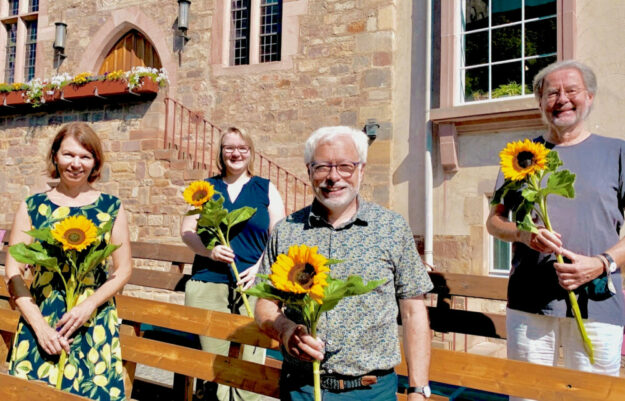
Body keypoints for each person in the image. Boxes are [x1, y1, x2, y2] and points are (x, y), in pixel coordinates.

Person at [254, 126, 433, 401]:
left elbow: (413, 311)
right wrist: (285, 329)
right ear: (309, 170)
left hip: (372, 391)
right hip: (302, 387)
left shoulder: (391, 227)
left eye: (345, 167)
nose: (333, 177)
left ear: (361, 170)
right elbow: (265, 304)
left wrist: (418, 388)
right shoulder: (287, 231)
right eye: (322, 167)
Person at [486, 60, 625, 400]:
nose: (561, 98)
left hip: (598, 300)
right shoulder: (520, 157)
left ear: (589, 97)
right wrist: (521, 234)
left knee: (591, 395)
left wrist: (603, 262)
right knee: (527, 394)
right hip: (530, 301)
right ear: (540, 102)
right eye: (551, 93)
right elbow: (494, 221)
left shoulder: (618, 152)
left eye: (571, 90)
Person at [5, 122, 132, 400]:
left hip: (92, 320)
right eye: (68, 155)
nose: (76, 164)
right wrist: (39, 326)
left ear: (95, 162)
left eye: (85, 157)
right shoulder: (32, 206)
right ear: (55, 156)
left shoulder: (111, 207)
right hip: (42, 316)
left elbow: (123, 269)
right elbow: (13, 269)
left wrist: (88, 306)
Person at [180, 126, 285, 401]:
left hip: (253, 285)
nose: (235, 153)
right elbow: (187, 231)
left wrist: (262, 267)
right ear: (220, 152)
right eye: (229, 147)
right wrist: (210, 250)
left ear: (250, 152)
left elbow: (280, 234)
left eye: (242, 148)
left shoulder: (266, 188)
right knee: (213, 366)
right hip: (209, 282)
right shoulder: (206, 188)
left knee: (250, 365)